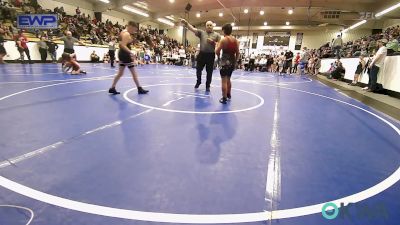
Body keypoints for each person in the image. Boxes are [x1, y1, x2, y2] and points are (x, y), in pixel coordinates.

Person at [108, 21, 149, 95]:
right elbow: (122, 45)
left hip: (121, 53)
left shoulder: (123, 31)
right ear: (131, 26)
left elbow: (121, 43)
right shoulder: (126, 34)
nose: (134, 31)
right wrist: (131, 52)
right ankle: (139, 88)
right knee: (134, 73)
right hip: (125, 54)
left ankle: (112, 88)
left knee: (120, 73)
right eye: (134, 29)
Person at [180, 19, 221, 92]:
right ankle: (198, 81)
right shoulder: (202, 33)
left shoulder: (217, 35)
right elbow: (193, 29)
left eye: (210, 25)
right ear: (205, 27)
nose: (209, 26)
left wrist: (213, 43)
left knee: (209, 72)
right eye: (207, 25)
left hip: (211, 55)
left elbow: (220, 44)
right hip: (202, 54)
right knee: (198, 70)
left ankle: (207, 86)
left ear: (213, 26)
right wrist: (186, 23)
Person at [215, 23, 239, 104]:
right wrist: (235, 62)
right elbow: (238, 53)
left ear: (224, 31)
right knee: (228, 79)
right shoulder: (235, 40)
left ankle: (224, 98)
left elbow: (217, 51)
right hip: (232, 61)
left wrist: (218, 55)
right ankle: (229, 94)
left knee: (224, 80)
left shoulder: (223, 40)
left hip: (224, 62)